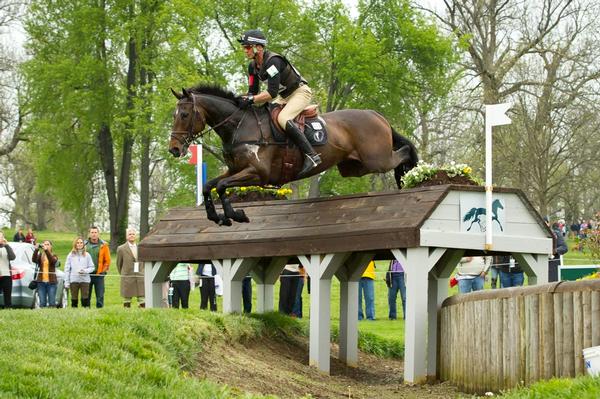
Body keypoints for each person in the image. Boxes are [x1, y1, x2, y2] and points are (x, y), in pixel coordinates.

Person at [237, 29, 321, 178]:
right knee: (267, 117)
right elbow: (253, 92)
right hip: (285, 96)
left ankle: (311, 155)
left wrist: (251, 99)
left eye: (248, 47)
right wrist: (240, 100)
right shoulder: (252, 67)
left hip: (300, 92)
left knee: (282, 119)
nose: (245, 50)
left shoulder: (273, 62)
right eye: (245, 47)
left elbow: (271, 93)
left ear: (259, 47)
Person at [116, 228, 145, 308]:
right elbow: (119, 264)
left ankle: (142, 312)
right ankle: (127, 313)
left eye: (133, 234)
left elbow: (144, 262)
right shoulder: (121, 249)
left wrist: (142, 272)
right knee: (127, 298)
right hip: (127, 276)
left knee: (142, 297)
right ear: (126, 236)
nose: (131, 235)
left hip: (140, 276)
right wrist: (123, 273)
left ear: (136, 236)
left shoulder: (141, 247)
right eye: (129, 234)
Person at [64, 237, 95, 307]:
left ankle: (85, 313)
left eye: (81, 243)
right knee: (74, 299)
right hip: (74, 280)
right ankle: (75, 314)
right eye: (77, 243)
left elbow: (92, 267)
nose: (79, 244)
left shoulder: (87, 255)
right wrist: (67, 282)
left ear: (83, 244)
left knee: (85, 299)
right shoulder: (70, 255)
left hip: (85, 280)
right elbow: (67, 269)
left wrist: (85, 271)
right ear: (75, 244)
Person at [85, 226, 111, 308]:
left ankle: (100, 311)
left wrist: (103, 271)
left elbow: (107, 260)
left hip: (99, 274)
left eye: (95, 232)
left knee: (100, 295)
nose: (94, 234)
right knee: (86, 295)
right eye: (92, 232)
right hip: (87, 275)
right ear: (89, 234)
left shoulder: (104, 245)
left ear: (98, 234)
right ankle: (86, 310)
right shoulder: (84, 244)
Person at [32, 240, 59, 307]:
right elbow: (34, 260)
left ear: (51, 246)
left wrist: (46, 251)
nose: (46, 246)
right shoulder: (41, 255)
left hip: (51, 283)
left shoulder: (54, 255)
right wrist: (36, 250)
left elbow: (52, 261)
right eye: (44, 244)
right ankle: (42, 316)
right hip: (41, 282)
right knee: (42, 303)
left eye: (47, 244)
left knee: (52, 303)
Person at [0, 232, 16, 309]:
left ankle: (8, 308)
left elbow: (12, 257)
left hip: (6, 275)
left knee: (7, 296)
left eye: (1, 237)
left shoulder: (6, 247)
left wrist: (6, 245)